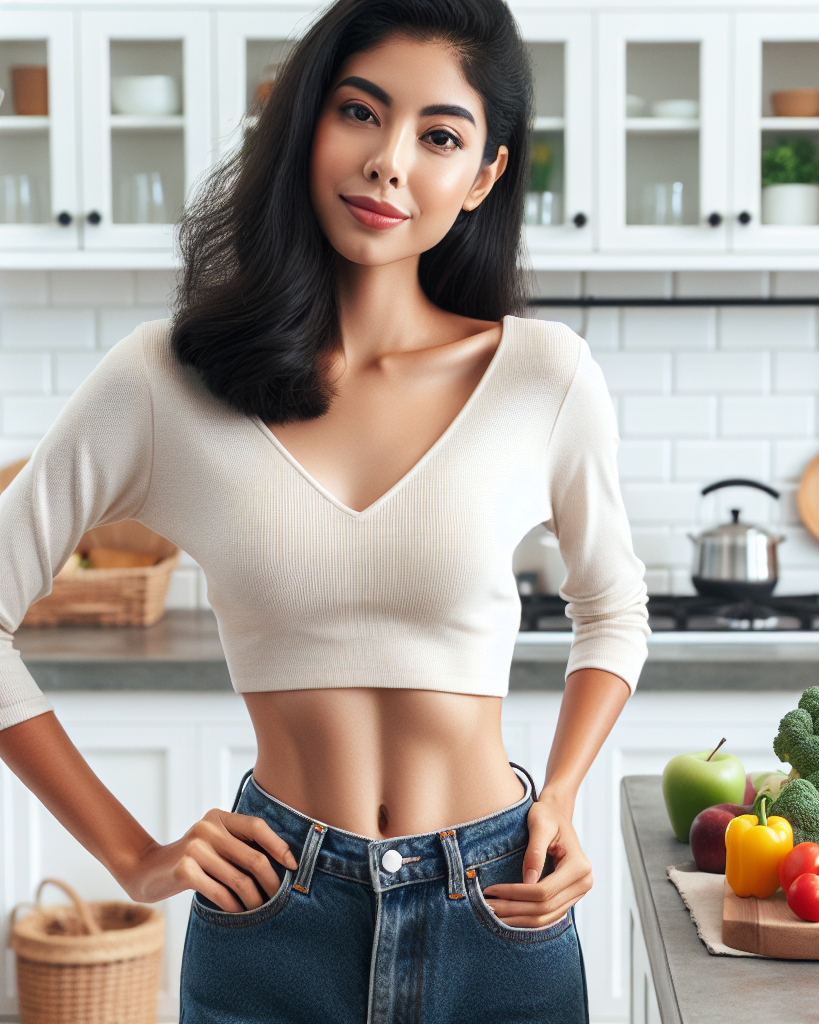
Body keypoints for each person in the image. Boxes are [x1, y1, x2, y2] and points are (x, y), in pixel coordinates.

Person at [0, 0, 650, 1020]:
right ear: (304, 127)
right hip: (272, 913)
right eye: (360, 112)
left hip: (500, 903)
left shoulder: (543, 376)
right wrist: (134, 855)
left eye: (440, 135)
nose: (390, 161)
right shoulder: (165, 380)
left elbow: (612, 610)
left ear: (482, 176)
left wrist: (561, 793)